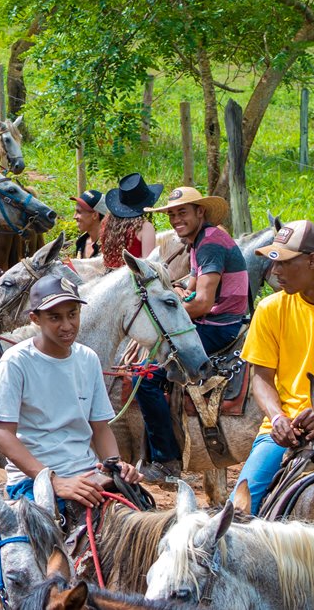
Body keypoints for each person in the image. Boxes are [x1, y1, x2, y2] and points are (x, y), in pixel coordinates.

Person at [0, 274, 142, 516]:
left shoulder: (88, 359)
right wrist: (53, 481)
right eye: (55, 318)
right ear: (35, 319)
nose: (67, 325)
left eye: (72, 314)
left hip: (87, 473)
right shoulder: (17, 361)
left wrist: (115, 465)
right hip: (34, 480)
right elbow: (2, 435)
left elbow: (100, 428)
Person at [135, 187, 252, 480]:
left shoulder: (210, 244)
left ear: (200, 212)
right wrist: (173, 290)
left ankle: (165, 459)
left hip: (218, 325)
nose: (176, 219)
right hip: (217, 319)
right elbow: (192, 286)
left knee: (146, 379)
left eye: (182, 212)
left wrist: (163, 313)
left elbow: (201, 303)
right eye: (172, 214)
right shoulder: (201, 240)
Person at [236, 221, 314, 512]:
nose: (275, 271)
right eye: (272, 262)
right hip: (285, 430)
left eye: (283, 262)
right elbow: (262, 378)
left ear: (313, 261)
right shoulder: (270, 309)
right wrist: (277, 417)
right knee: (240, 508)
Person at [100, 173, 162, 271]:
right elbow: (148, 266)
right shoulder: (145, 227)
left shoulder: (107, 223)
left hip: (109, 278)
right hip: (131, 282)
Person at [71, 190, 105, 260]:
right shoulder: (81, 242)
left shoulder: (109, 247)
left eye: (79, 212)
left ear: (95, 215)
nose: (74, 216)